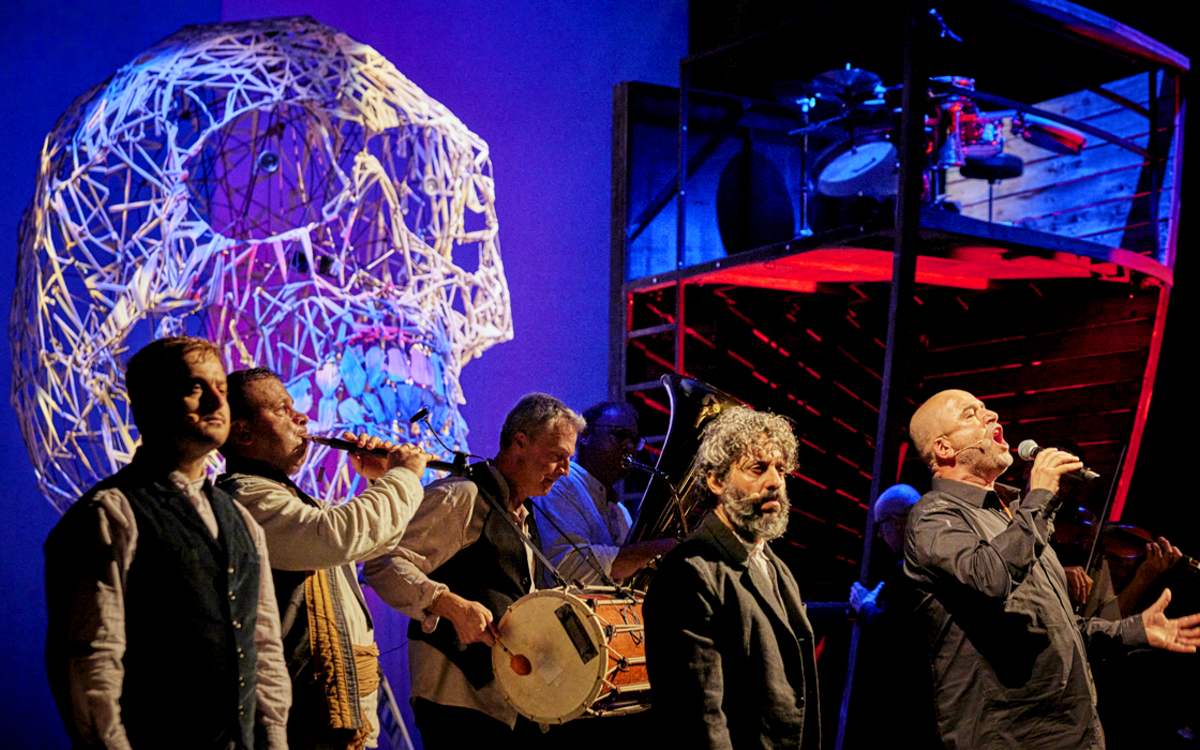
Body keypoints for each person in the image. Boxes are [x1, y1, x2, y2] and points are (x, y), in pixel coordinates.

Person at [904, 388, 1200, 749]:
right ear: (944, 448)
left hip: (1075, 729)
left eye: (986, 408)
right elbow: (990, 578)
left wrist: (1131, 631)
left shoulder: (1015, 515)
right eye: (971, 414)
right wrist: (1040, 496)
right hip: (1011, 737)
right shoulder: (933, 517)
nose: (991, 415)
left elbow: (1056, 626)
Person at [44, 336, 291, 750]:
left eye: (222, 388)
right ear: (151, 405)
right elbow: (90, 664)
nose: (217, 401)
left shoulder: (241, 522)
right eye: (196, 388)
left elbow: (264, 650)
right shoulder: (111, 514)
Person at [216, 367, 433, 750]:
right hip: (301, 720)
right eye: (281, 410)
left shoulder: (291, 500)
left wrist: (379, 479)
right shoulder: (245, 498)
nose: (302, 417)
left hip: (340, 713)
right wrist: (402, 477)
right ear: (243, 433)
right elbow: (337, 536)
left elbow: (373, 543)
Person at [363, 394, 584, 748]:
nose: (565, 470)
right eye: (558, 456)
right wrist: (451, 605)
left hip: (509, 704)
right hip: (458, 702)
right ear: (520, 442)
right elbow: (383, 563)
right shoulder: (462, 495)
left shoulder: (526, 514)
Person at [644, 406, 820, 750]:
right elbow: (699, 717)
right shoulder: (689, 571)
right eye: (758, 468)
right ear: (716, 481)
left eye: (780, 469)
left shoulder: (774, 564)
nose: (776, 482)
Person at [538, 401, 677, 584]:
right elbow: (569, 568)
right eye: (620, 435)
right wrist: (650, 551)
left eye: (635, 441)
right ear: (585, 434)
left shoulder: (620, 512)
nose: (629, 446)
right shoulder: (560, 485)